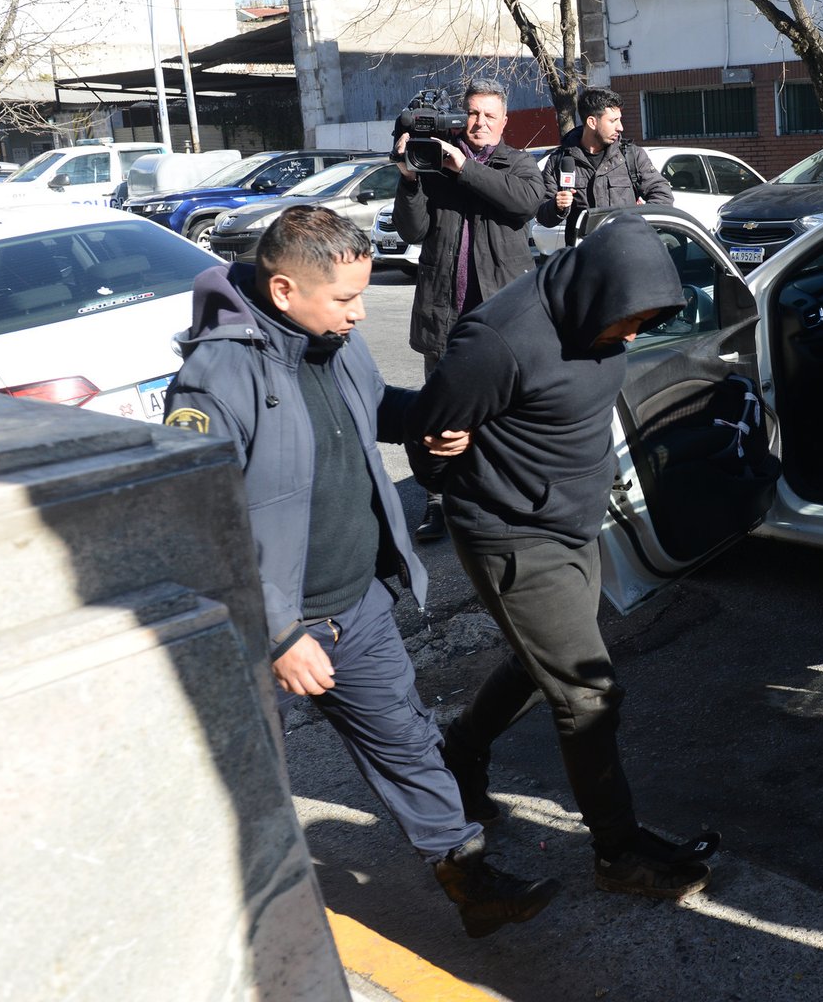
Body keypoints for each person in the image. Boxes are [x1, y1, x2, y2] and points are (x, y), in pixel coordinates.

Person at [162, 206, 560, 939]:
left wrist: (428, 419)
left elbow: (372, 406)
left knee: (409, 742)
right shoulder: (215, 379)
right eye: (344, 300)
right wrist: (279, 634)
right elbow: (202, 523)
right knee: (243, 778)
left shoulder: (336, 341)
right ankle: (232, 921)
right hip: (266, 631)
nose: (358, 314)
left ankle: (470, 883)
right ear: (283, 291)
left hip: (358, 604)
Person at [404, 214, 720, 900]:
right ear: (594, 290)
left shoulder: (603, 314)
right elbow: (428, 437)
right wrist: (445, 455)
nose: (634, 333)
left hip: (574, 522)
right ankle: (617, 854)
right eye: (627, 318)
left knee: (538, 662)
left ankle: (460, 754)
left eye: (646, 318)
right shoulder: (497, 341)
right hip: (512, 535)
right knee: (587, 694)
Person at [393, 77, 549, 543]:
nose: (478, 123)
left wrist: (463, 167)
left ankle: (502, 496)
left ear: (504, 121)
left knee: (504, 411)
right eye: (472, 114)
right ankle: (439, 500)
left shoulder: (518, 164)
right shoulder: (434, 163)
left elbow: (524, 204)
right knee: (441, 413)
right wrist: (410, 179)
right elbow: (411, 230)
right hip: (445, 313)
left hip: (501, 321)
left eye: (488, 115)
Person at [534, 87, 674, 246]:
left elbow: (663, 195)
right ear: (592, 122)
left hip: (626, 254)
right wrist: (556, 206)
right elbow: (541, 214)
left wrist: (639, 220)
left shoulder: (631, 156)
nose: (620, 127)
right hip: (584, 260)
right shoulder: (560, 161)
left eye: (619, 119)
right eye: (613, 121)